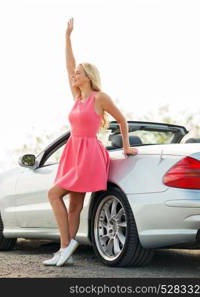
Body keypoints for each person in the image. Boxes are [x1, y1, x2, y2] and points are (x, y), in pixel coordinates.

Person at [43, 17, 138, 267]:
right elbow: (67, 65)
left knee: (54, 194)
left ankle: (65, 246)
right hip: (73, 152)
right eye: (74, 74)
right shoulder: (77, 96)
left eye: (78, 73)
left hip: (89, 153)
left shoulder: (100, 97)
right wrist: (67, 37)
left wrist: (126, 146)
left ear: (88, 77)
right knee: (74, 205)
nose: (74, 75)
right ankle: (66, 251)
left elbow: (123, 120)